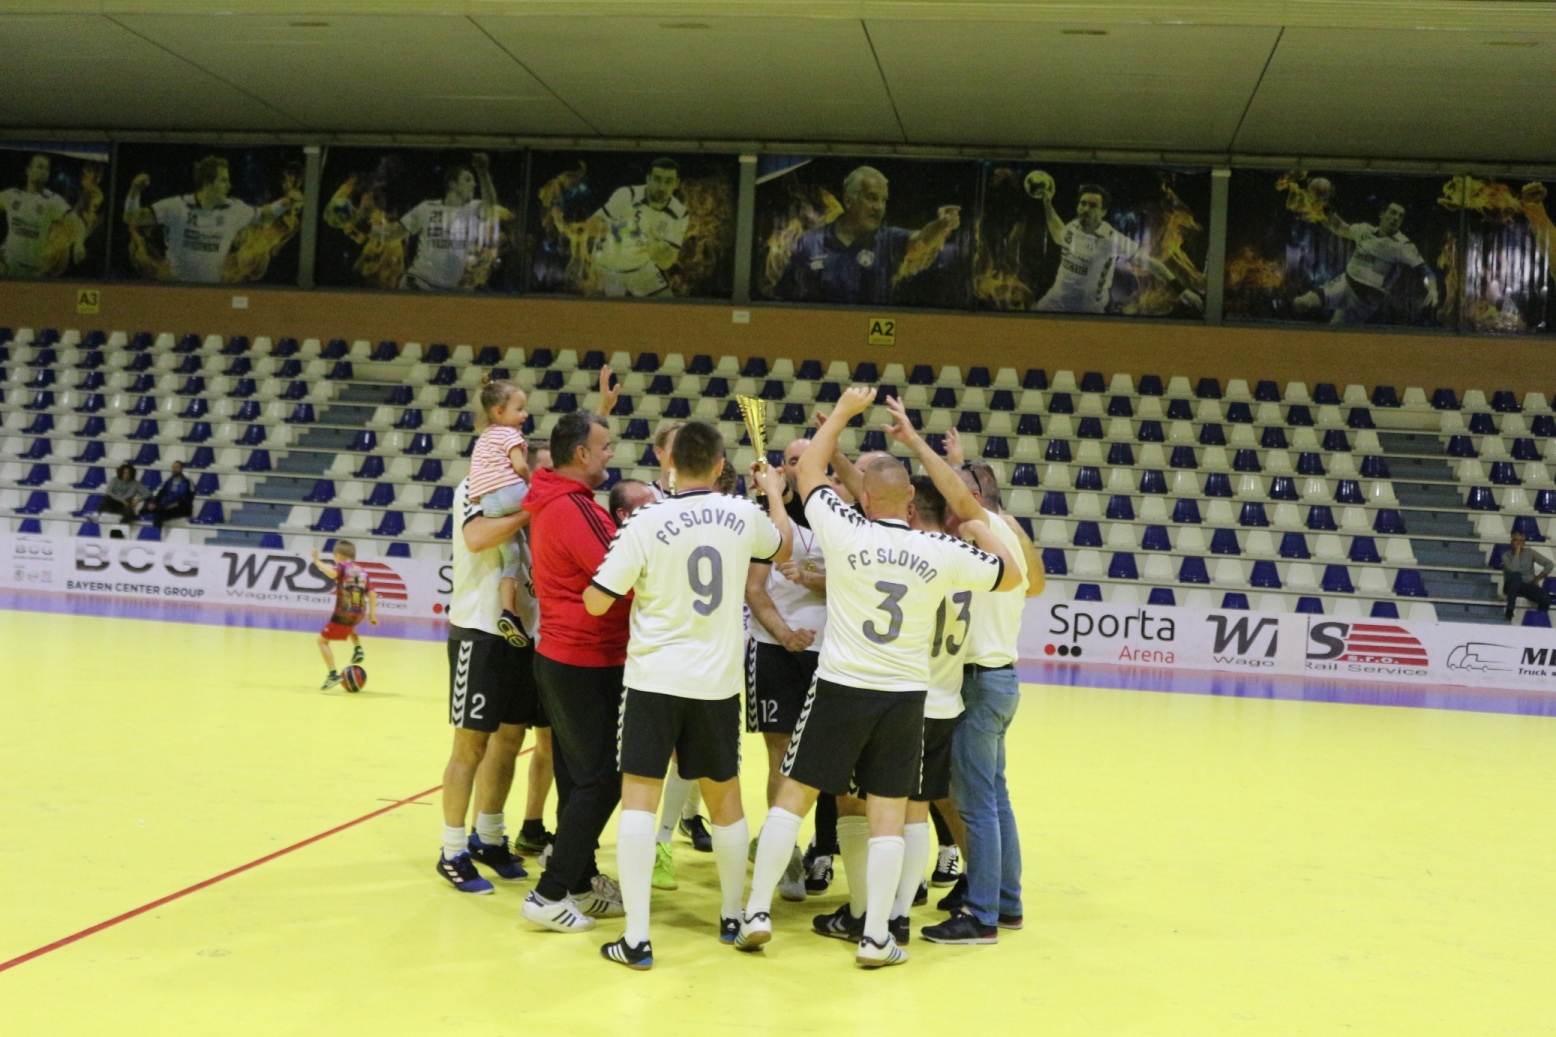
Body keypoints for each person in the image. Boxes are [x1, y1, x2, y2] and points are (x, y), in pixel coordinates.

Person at [735, 386, 1023, 969]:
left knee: (793, 798)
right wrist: (981, 525)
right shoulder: (938, 550)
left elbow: (810, 470)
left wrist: (843, 413)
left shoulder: (846, 530)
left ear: (864, 498)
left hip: (841, 683)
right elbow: (1011, 575)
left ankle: (757, 913)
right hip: (905, 696)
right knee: (891, 815)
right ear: (910, 499)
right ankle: (877, 935)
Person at [584, 421, 794, 969]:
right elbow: (783, 544)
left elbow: (597, 601)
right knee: (725, 801)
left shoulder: (646, 520)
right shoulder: (742, 514)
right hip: (717, 684)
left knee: (640, 799)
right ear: (722, 465)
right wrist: (773, 492)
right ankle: (732, 915)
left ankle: (637, 938)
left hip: (654, 679)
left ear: (669, 463)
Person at [810, 474, 969, 947]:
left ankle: (874, 912)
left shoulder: (915, 557)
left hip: (902, 695)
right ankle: (899, 911)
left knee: (879, 810)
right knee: (915, 811)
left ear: (912, 508)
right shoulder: (958, 557)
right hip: (947, 697)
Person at [917, 417, 1044, 945]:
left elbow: (961, 500)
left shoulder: (977, 529)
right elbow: (1035, 585)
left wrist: (916, 444)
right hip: (1001, 678)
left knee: (976, 804)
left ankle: (982, 914)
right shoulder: (1007, 532)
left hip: (979, 681)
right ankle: (1007, 904)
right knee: (996, 797)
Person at [521, 383, 633, 932]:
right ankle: (548, 894)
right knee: (602, 780)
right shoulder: (573, 507)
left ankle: (581, 882)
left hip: (566, 657)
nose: (611, 454)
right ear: (582, 454)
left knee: (575, 776)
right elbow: (618, 575)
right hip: (585, 659)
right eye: (604, 446)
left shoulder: (555, 498)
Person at [434, 477, 544, 894]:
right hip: (479, 632)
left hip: (520, 635)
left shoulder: (522, 495)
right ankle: (452, 851)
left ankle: (489, 838)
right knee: (469, 748)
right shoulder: (478, 485)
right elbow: (477, 537)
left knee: (510, 740)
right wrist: (533, 507)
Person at [745, 437, 829, 902]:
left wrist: (814, 579)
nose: (798, 469)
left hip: (827, 654)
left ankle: (814, 844)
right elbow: (754, 589)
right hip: (774, 649)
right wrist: (785, 634)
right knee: (779, 753)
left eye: (807, 461)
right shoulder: (766, 520)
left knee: (820, 755)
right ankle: (788, 855)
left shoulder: (836, 518)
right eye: (792, 461)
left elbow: (853, 584)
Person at [774, 165, 961, 305]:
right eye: (872, 198)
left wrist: (941, 225)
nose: (879, 207)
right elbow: (783, 297)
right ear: (848, 200)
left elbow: (921, 240)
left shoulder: (888, 240)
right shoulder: (810, 241)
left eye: (883, 200)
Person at [122, 156, 302, 283]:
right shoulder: (176, 206)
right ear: (208, 183)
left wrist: (285, 203)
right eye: (223, 181)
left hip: (213, 292)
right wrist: (135, 191)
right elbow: (132, 217)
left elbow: (263, 216)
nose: (229, 186)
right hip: (175, 288)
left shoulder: (234, 209)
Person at [1032, 181, 1203, 314]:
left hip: (1087, 311)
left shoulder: (1111, 238)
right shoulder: (1073, 226)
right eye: (1083, 204)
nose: (1085, 209)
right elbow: (1058, 234)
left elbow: (1151, 263)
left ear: (1103, 212)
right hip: (1054, 303)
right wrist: (1047, 203)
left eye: (1093, 206)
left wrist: (1181, 290)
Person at [466, 374, 534, 647]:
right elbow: (520, 466)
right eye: (520, 409)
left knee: (512, 557)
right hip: (510, 492)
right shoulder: (510, 434)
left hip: (489, 505)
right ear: (499, 412)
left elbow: (476, 472)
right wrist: (532, 484)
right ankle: (542, 575)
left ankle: (509, 612)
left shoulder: (484, 437)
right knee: (551, 504)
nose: (525, 414)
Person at [1293, 201, 1439, 324]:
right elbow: (1339, 227)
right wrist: (1327, 209)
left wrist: (1432, 289)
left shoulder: (1403, 246)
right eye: (1393, 213)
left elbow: (1427, 272)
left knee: (1335, 331)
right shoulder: (1364, 230)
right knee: (1301, 303)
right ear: (1382, 214)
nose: (1396, 218)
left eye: (1400, 216)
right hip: (1344, 283)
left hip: (1363, 301)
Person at [378, 154, 504, 291]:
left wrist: (482, 172)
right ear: (452, 184)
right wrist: (364, 227)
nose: (474, 185)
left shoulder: (473, 209)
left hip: (447, 290)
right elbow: (391, 234)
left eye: (474, 181)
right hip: (418, 282)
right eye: (468, 180)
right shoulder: (426, 208)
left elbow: (491, 202)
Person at [589, 157, 689, 298]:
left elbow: (667, 262)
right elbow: (592, 226)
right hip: (607, 267)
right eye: (657, 179)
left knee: (669, 306)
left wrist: (650, 243)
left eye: (668, 181)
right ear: (648, 179)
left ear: (677, 183)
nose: (662, 187)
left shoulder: (680, 214)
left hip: (642, 268)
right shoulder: (627, 195)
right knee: (604, 308)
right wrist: (618, 227)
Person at [311, 541, 378, 691]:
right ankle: (358, 648)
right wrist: (372, 615)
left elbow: (332, 573)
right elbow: (373, 594)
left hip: (343, 612)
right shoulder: (363, 572)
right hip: (359, 612)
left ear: (338, 555)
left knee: (322, 641)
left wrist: (316, 561)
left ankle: (333, 675)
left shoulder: (342, 566)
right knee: (350, 624)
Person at [0, 153, 77, 278]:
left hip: (35, 270)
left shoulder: (53, 201)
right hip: (7, 263)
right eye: (40, 167)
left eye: (47, 169)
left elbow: (75, 222)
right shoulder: (11, 195)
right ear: (28, 170)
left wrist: (77, 244)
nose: (43, 171)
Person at [1502, 532, 1554, 622]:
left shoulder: (1530, 553)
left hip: (1526, 586)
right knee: (1516, 575)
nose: (1518, 543)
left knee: (1545, 597)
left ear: (1524, 543)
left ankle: (1539, 621)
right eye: (1516, 540)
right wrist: (1517, 554)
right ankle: (1510, 609)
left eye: (1521, 540)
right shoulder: (1506, 555)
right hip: (1510, 586)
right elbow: (1514, 570)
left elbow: (1550, 564)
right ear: (1511, 542)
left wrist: (1538, 578)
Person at [141, 460, 194, 528]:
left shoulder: (187, 482)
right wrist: (154, 503)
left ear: (181, 468)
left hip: (181, 507)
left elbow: (188, 498)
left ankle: (156, 532)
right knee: (148, 507)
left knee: (160, 511)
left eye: (177, 467)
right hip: (168, 504)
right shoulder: (169, 481)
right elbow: (161, 493)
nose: (174, 469)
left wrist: (171, 504)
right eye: (173, 467)